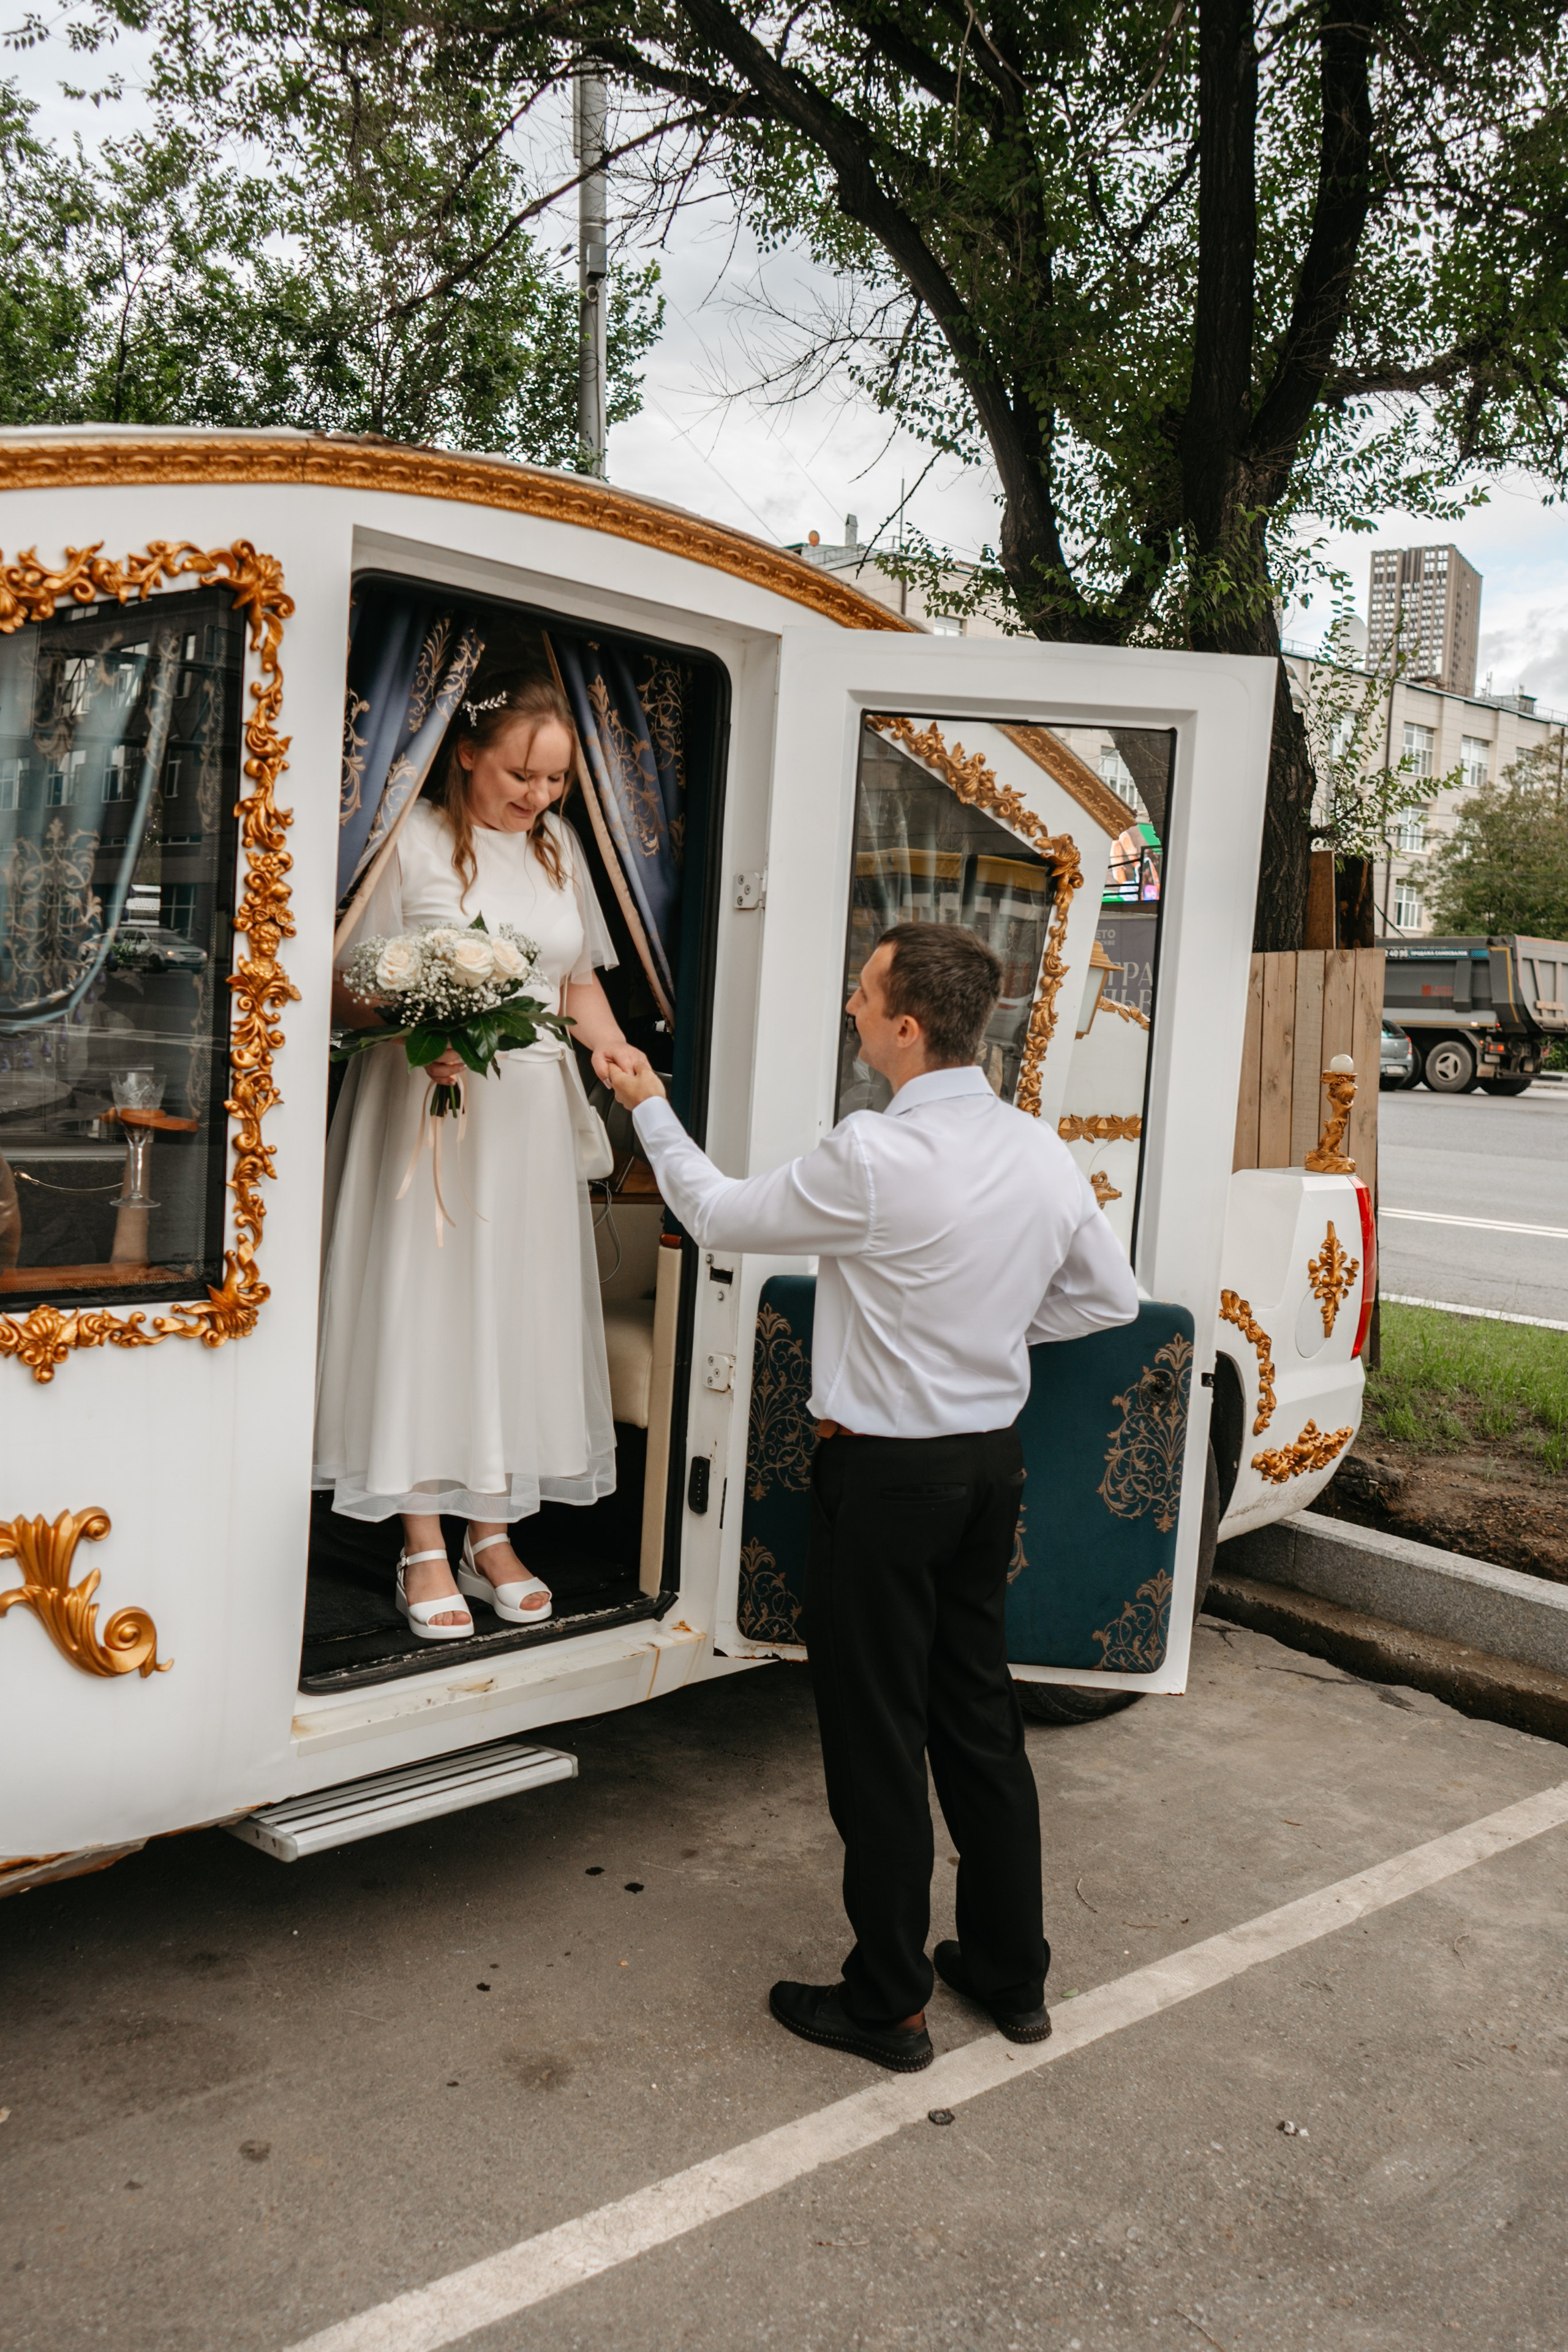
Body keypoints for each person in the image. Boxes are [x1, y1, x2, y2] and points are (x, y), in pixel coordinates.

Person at [608, 922, 1139, 2071]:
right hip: (988, 1468)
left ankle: (890, 2002)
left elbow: (716, 1215)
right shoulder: (1039, 1152)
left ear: (905, 1026)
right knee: (979, 1722)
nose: (850, 1006)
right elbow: (1110, 1301)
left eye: (862, 992)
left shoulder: (873, 1155)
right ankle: (1010, 1973)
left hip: (888, 1478)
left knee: (878, 1738)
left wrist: (647, 1100)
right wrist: (991, 1331)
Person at [314, 677, 643, 1640]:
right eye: (520, 774)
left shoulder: (559, 847)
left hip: (529, 1112)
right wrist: (415, 1019)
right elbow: (342, 982)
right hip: (429, 1104)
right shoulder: (409, 837)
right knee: (430, 1307)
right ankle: (421, 1537)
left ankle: (491, 1533)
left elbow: (573, 982)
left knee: (516, 1308)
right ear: (465, 753)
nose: (538, 796)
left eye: (556, 781)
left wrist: (614, 1051)